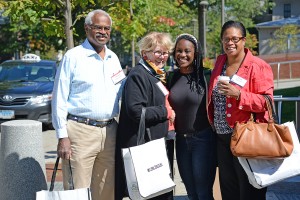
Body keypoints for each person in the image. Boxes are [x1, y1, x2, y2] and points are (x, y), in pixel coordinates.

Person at [51, 9, 125, 200]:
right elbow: (59, 98)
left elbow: (123, 92)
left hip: (110, 132)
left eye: (107, 28)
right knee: (77, 191)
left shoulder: (113, 58)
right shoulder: (73, 57)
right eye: (98, 27)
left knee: (106, 189)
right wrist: (62, 136)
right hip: (80, 132)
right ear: (87, 28)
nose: (103, 32)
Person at [207, 20, 274, 200]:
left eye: (235, 39)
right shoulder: (220, 62)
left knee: (249, 190)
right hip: (222, 139)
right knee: (229, 190)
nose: (230, 43)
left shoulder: (258, 66)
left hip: (246, 139)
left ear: (244, 40)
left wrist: (239, 95)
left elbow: (267, 101)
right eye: (226, 39)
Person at [115, 32, 175, 200]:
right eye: (157, 52)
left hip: (158, 142)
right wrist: (166, 112)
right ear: (144, 53)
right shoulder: (138, 75)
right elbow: (135, 111)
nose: (162, 57)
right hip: (145, 145)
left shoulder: (156, 74)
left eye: (165, 52)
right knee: (151, 194)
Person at [167, 33, 217, 200]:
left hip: (203, 139)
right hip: (180, 141)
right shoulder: (171, 77)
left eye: (187, 51)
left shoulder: (207, 76)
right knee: (190, 192)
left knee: (203, 193)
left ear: (196, 53)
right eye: (179, 51)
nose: (182, 55)